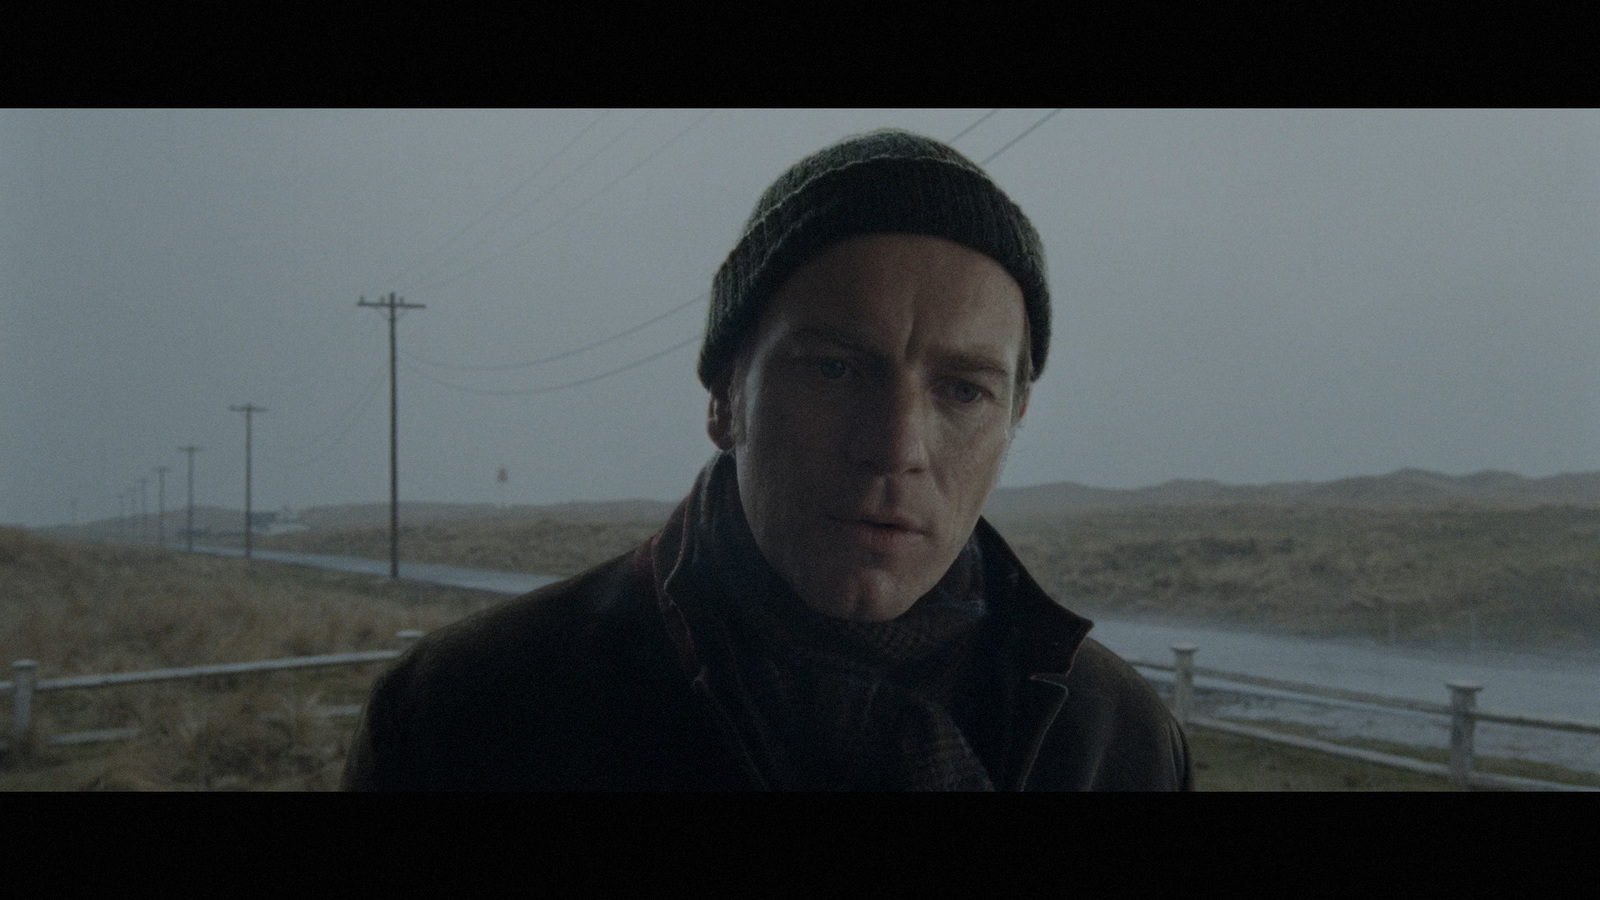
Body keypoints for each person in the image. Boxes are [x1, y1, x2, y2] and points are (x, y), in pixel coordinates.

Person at [341, 128, 1192, 791]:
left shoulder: (1117, 740)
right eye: (835, 368)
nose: (896, 448)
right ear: (725, 397)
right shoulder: (474, 716)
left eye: (963, 392)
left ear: (1015, 419)